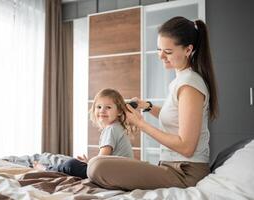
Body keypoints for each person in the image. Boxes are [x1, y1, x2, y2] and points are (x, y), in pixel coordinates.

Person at [87, 16, 218, 190]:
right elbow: (176, 117)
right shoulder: (182, 80)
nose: (161, 56)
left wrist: (140, 123)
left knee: (97, 166)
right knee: (97, 164)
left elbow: (186, 147)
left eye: (168, 52)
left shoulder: (190, 86)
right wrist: (147, 106)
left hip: (185, 173)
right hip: (172, 167)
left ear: (188, 50)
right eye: (159, 49)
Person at [34, 88, 135, 178]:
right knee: (76, 164)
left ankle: (46, 170)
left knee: (71, 164)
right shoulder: (117, 127)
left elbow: (101, 160)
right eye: (99, 107)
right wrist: (89, 163)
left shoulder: (111, 129)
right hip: (119, 173)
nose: (102, 111)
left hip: (110, 175)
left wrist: (90, 164)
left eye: (108, 107)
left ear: (119, 111)